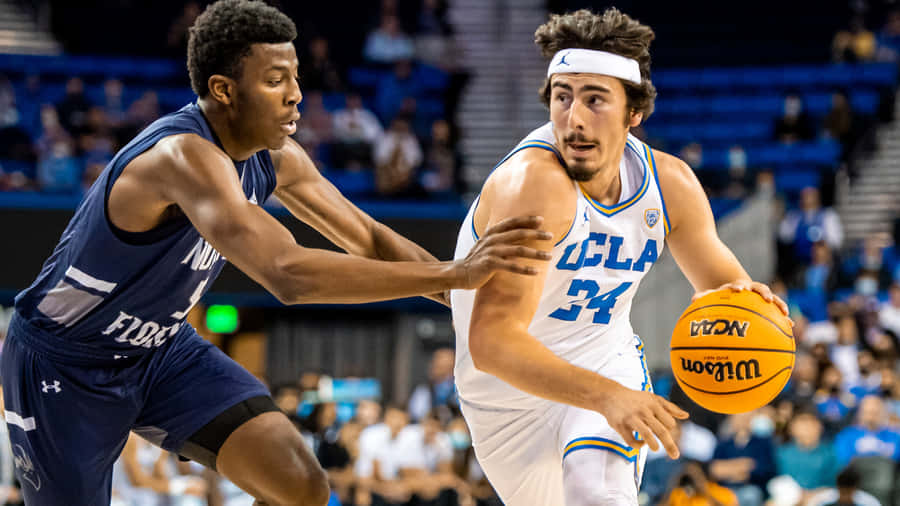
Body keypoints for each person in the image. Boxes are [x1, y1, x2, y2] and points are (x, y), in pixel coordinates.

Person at [0, 1, 551, 505]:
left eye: (295, 77)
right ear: (223, 90)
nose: (296, 94)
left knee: (301, 484)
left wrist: (471, 296)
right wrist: (458, 270)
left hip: (160, 350)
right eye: (274, 80)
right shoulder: (180, 157)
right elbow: (287, 274)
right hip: (64, 363)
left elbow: (368, 237)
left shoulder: (277, 158)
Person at [448, 8, 788, 506]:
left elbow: (725, 291)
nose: (575, 119)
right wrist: (607, 397)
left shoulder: (669, 184)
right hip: (505, 396)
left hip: (604, 362)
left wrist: (758, 316)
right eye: (562, 98)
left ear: (635, 113)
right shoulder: (534, 183)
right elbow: (493, 343)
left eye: (595, 100)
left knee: (597, 496)